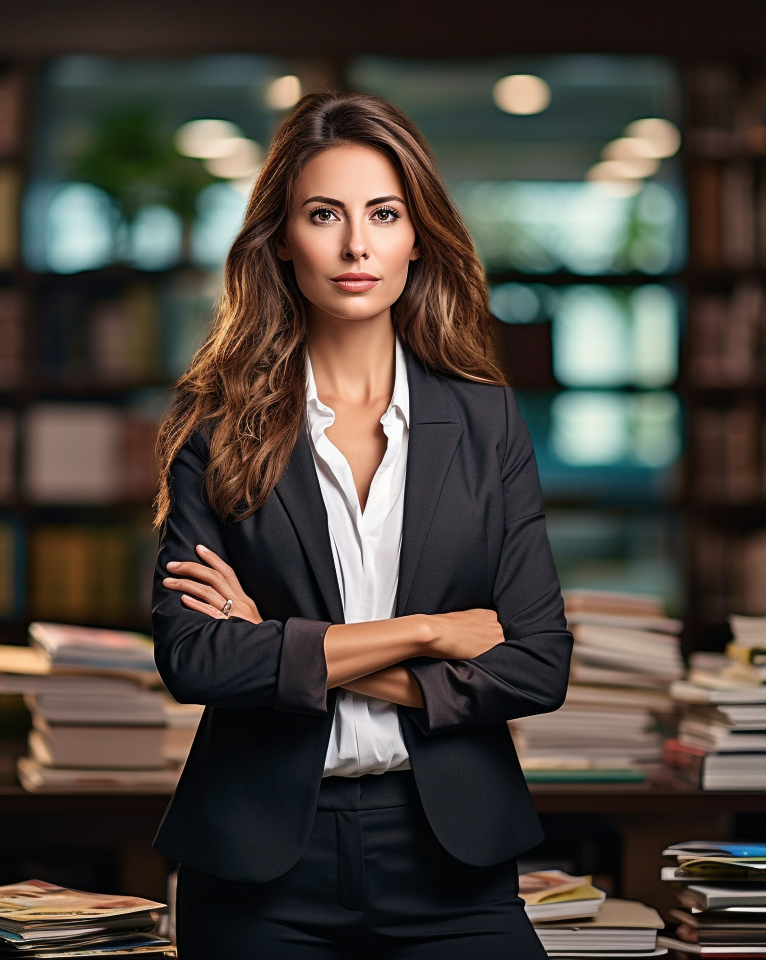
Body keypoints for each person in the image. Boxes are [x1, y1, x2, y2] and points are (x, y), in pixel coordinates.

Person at [151, 90, 573, 959]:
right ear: (281, 238)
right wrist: (427, 633)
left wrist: (278, 644)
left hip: (453, 857)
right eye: (323, 214)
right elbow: (194, 658)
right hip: (261, 864)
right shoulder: (215, 423)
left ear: (417, 235)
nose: (355, 245)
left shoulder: (488, 422)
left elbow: (538, 663)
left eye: (383, 214)